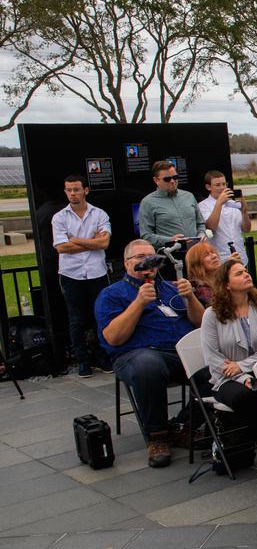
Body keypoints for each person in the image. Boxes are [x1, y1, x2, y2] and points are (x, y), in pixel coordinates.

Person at [96, 239, 206, 467]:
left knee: (216, 363)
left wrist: (191, 297)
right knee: (149, 365)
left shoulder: (170, 288)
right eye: (139, 257)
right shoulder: (112, 294)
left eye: (151, 257)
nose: (147, 262)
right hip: (137, 354)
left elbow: (201, 323)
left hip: (179, 351)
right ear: (127, 264)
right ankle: (157, 437)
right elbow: (113, 337)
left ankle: (182, 426)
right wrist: (138, 303)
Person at [200, 260, 257, 477]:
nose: (246, 275)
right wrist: (241, 377)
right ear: (226, 284)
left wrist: (242, 366)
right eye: (239, 273)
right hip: (225, 380)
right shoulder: (212, 315)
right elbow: (212, 357)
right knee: (249, 397)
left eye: (246, 271)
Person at [52, 175, 111, 376]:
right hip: (72, 275)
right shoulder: (59, 217)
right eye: (69, 190)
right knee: (76, 319)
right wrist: (90, 241)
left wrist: (75, 240)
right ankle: (82, 360)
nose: (73, 194)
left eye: (76, 189)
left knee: (99, 316)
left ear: (85, 190)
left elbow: (104, 243)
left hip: (96, 272)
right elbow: (61, 248)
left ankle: (102, 357)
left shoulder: (99, 214)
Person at [138, 161, 202, 251]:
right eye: (167, 179)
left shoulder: (189, 196)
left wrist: (202, 235)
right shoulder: (148, 202)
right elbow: (146, 235)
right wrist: (170, 240)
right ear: (156, 180)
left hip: (196, 251)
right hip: (171, 254)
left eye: (175, 177)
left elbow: (200, 223)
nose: (172, 181)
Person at [198, 170, 251, 261]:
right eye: (217, 185)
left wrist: (244, 212)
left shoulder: (234, 204)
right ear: (208, 187)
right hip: (220, 260)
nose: (222, 188)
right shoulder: (203, 206)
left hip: (240, 257)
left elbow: (247, 229)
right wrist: (219, 204)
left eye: (224, 184)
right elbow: (210, 228)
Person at [183, 241, 221, 307]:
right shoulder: (201, 289)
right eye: (206, 255)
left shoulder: (222, 279)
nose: (214, 256)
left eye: (213, 252)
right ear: (197, 263)